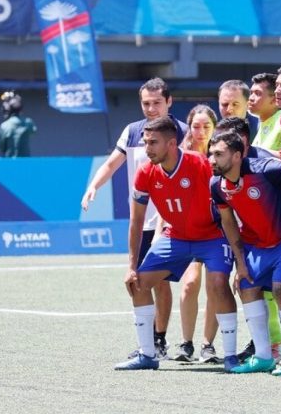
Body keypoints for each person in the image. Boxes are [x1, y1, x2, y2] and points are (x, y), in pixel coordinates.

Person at [113, 116, 238, 372]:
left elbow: (227, 199)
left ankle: (231, 356)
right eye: (146, 142)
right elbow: (136, 222)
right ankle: (148, 355)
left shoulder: (199, 163)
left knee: (217, 285)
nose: (147, 149)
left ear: (172, 144)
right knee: (137, 283)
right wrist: (131, 266)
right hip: (176, 237)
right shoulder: (145, 172)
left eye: (153, 143)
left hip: (212, 236)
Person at [81, 78, 187, 360]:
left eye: (157, 103)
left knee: (164, 282)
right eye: (146, 103)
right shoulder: (132, 132)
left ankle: (161, 340)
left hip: (174, 222)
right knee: (140, 280)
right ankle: (150, 343)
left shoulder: (183, 132)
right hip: (141, 222)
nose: (151, 109)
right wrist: (93, 186)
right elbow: (112, 163)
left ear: (169, 102)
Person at [209, 130, 281, 376]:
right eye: (211, 153)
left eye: (218, 154)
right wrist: (240, 262)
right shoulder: (216, 185)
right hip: (257, 244)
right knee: (247, 285)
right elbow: (228, 222)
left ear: (237, 155)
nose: (212, 159)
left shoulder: (266, 169)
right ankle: (264, 356)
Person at [172, 104, 221, 363]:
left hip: (216, 231)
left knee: (215, 287)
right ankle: (186, 343)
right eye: (196, 126)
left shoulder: (221, 156)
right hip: (188, 232)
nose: (201, 131)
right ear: (189, 128)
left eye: (207, 126)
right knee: (190, 284)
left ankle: (207, 345)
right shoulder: (179, 157)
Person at [249, 72, 281, 152]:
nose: (251, 98)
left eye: (258, 94)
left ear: (275, 99)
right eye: (251, 93)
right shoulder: (261, 122)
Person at [0, 91, 36, 157]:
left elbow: (2, 147)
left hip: (9, 163)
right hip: (25, 162)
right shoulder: (28, 122)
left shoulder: (4, 126)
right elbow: (33, 131)